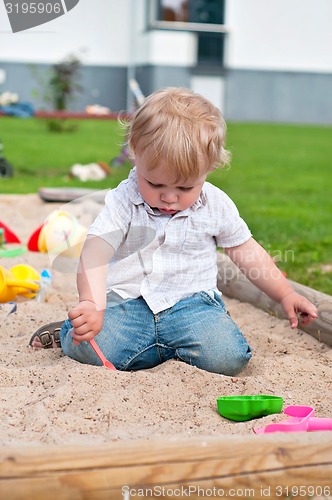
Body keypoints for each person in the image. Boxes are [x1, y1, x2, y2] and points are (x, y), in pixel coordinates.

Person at [30, 87, 318, 375]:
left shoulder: (215, 204)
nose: (169, 197)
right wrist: (92, 304)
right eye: (155, 184)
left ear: (211, 167)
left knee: (229, 358)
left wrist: (284, 295)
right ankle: (73, 328)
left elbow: (245, 250)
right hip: (129, 304)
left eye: (184, 188)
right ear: (134, 153)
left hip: (191, 306)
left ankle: (156, 350)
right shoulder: (124, 199)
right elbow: (96, 251)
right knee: (87, 346)